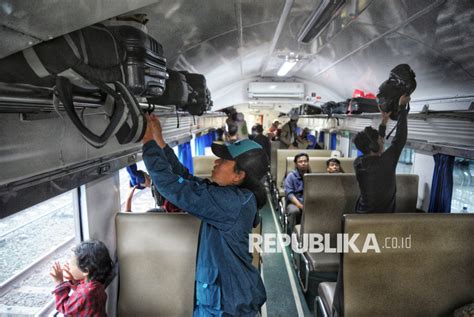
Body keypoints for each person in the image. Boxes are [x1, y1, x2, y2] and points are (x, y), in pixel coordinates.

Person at [141, 113, 267, 315]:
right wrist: (160, 141)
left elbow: (172, 186)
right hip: (224, 297)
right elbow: (186, 179)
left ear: (238, 176)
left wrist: (147, 142)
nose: (216, 162)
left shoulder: (231, 203)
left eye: (224, 160)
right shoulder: (234, 195)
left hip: (227, 306)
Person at [352, 93, 410, 213]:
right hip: (380, 220)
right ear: (373, 145)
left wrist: (383, 123)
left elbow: (376, 146)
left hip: (360, 215)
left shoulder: (358, 163)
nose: (383, 141)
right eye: (380, 140)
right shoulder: (385, 163)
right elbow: (400, 139)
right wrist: (402, 108)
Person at [50, 240, 113, 317]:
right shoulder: (97, 285)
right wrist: (73, 281)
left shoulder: (84, 294)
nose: (68, 265)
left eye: (71, 264)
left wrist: (59, 282)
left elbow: (64, 308)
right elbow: (82, 297)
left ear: (86, 271)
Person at [284, 153, 310, 234]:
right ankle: (291, 235)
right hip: (294, 203)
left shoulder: (311, 176)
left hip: (308, 202)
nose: (303, 163)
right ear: (295, 164)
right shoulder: (290, 176)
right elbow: (289, 194)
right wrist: (300, 205)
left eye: (305, 161)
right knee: (294, 211)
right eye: (300, 161)